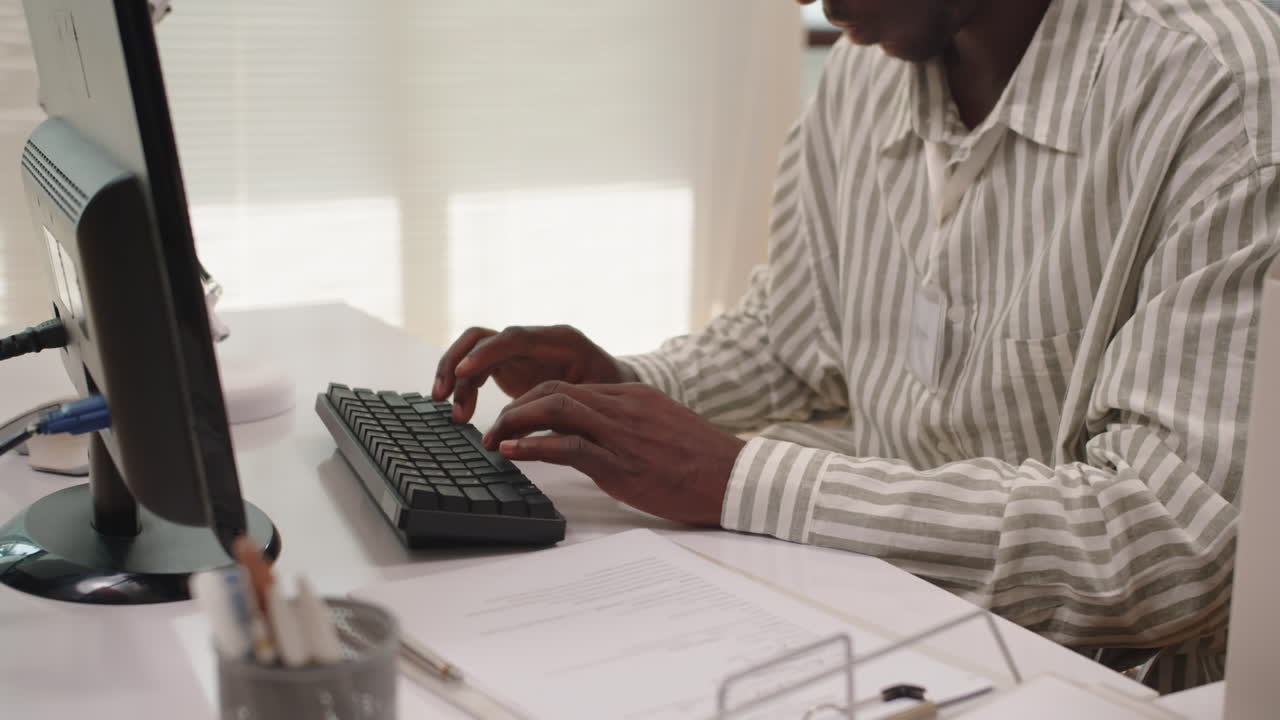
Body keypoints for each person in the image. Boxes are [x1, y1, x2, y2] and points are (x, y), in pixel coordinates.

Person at [433, 0, 1280, 692]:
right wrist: (617, 387)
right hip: (885, 638)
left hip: (1119, 685)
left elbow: (1169, 542)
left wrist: (740, 479)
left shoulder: (1224, 89)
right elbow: (790, 338)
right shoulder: (862, 75)